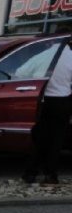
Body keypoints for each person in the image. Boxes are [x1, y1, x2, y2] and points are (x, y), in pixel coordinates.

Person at [25, 32, 72, 185]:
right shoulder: (71, 57)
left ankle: (30, 173)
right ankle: (51, 175)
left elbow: (22, 72)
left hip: (44, 102)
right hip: (64, 101)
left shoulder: (45, 55)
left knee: (40, 139)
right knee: (56, 141)